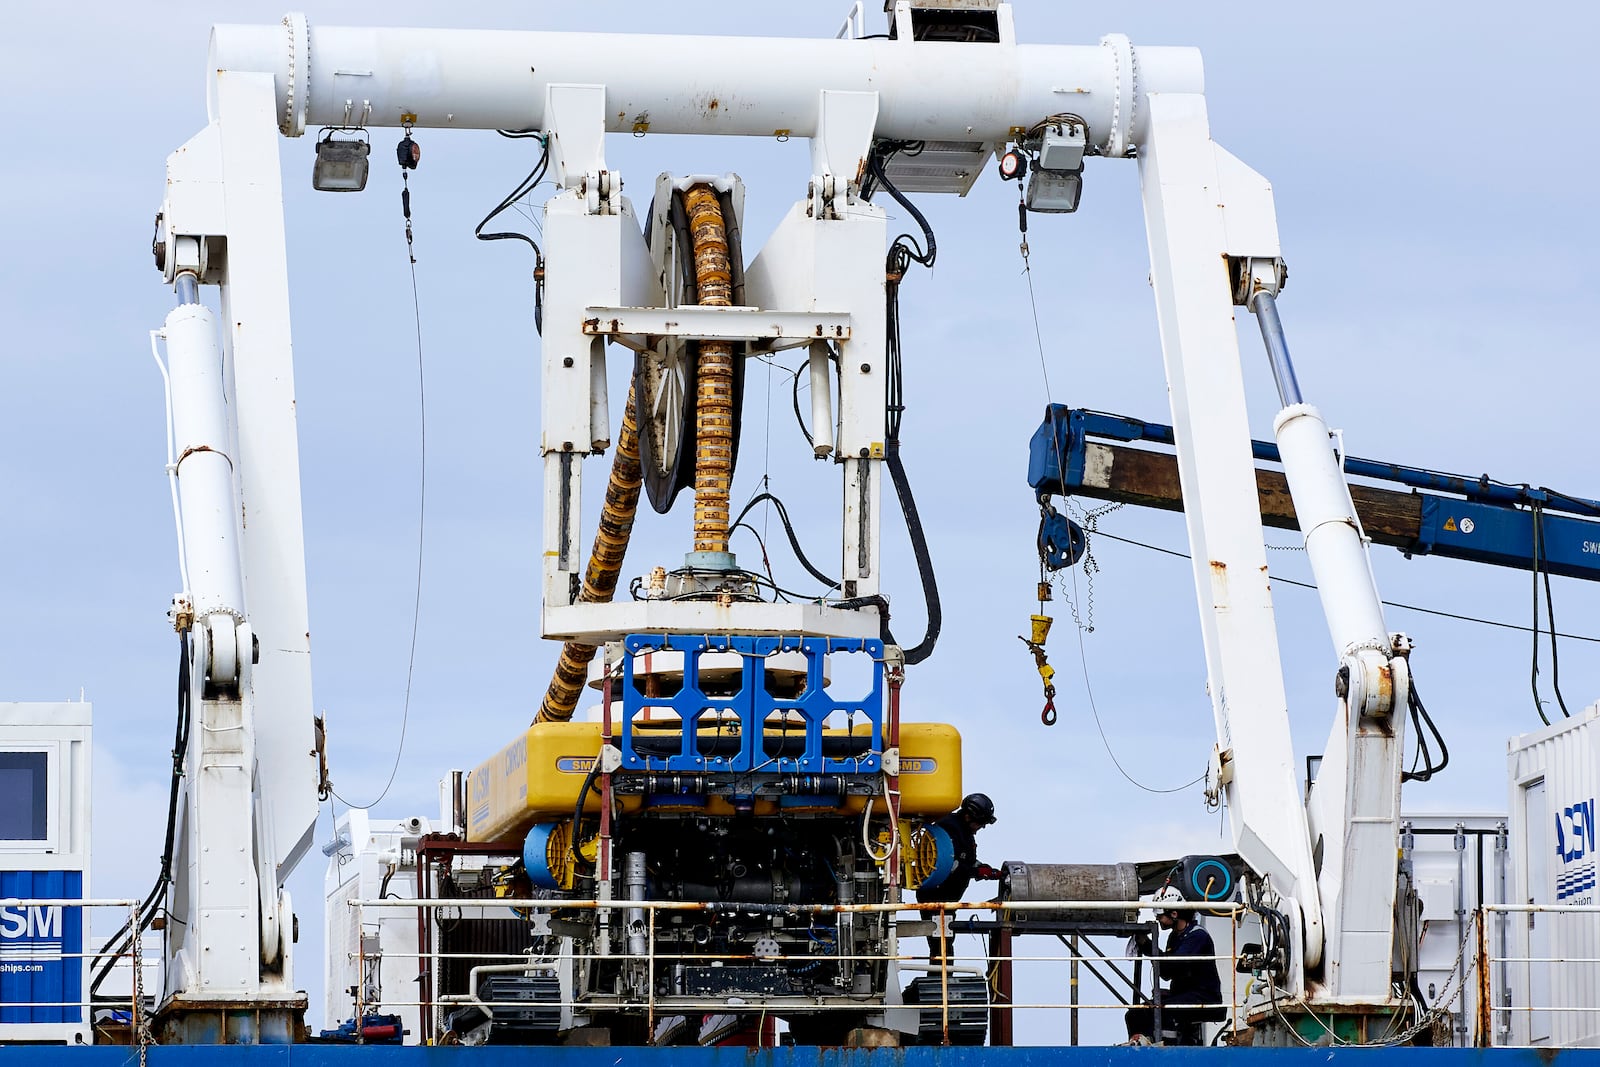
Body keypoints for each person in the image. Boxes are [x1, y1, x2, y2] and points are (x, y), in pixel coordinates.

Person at [1123, 899, 1225, 1045]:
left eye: (1160, 916)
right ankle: (1138, 1045)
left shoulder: (1197, 936)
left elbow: (1174, 965)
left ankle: (1166, 1047)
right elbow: (1166, 973)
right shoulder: (1175, 937)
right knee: (1134, 1014)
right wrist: (1147, 946)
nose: (1158, 919)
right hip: (1184, 995)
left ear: (1174, 914)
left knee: (1164, 1010)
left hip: (1203, 996)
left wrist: (1148, 945)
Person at [915, 793, 1001, 965]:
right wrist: (978, 872)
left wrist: (984, 869)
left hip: (946, 900)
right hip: (935, 898)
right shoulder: (949, 827)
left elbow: (966, 860)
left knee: (944, 942)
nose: (982, 827)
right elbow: (950, 865)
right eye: (981, 823)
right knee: (941, 945)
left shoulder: (964, 831)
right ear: (969, 816)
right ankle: (940, 984)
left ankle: (942, 981)